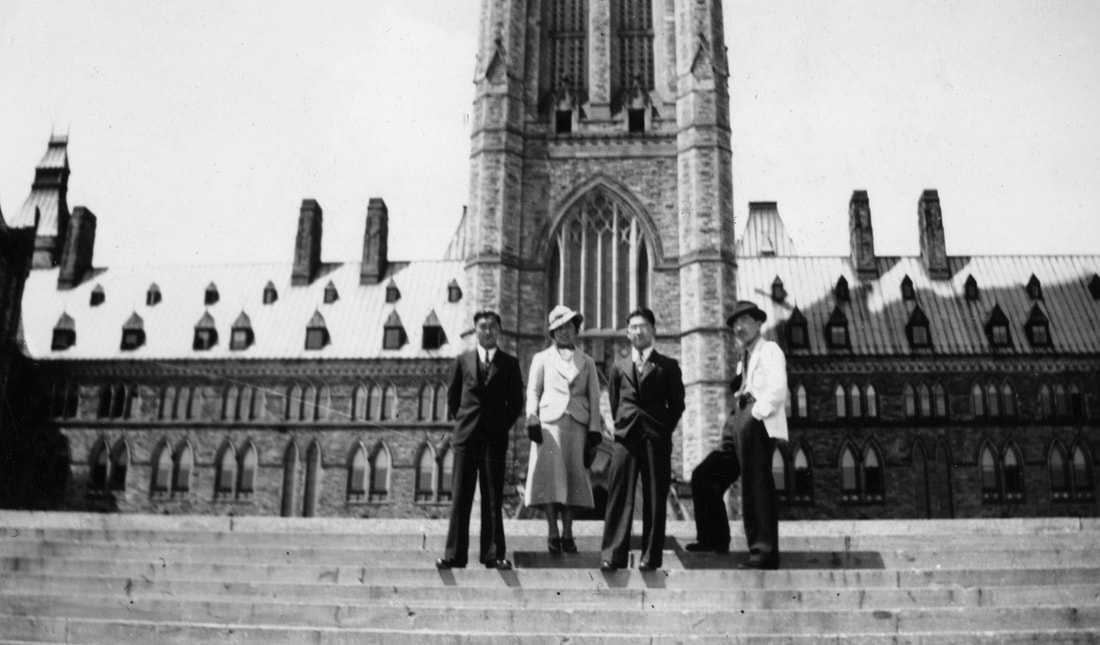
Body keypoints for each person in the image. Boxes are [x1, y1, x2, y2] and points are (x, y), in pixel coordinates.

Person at [686, 300, 787, 569]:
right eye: (734, 325)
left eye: (744, 321)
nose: (739, 328)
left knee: (755, 485)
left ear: (758, 323)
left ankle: (763, 553)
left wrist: (755, 414)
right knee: (705, 476)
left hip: (755, 420)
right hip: (736, 421)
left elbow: (777, 389)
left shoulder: (770, 351)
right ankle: (713, 538)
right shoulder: (744, 358)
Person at [436, 309, 525, 570]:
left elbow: (516, 403)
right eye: (483, 327)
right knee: (461, 496)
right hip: (466, 438)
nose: (487, 331)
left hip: (494, 438)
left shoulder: (509, 363)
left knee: (492, 497)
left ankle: (493, 554)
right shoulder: (462, 361)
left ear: (499, 331)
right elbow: (453, 399)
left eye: (492, 327)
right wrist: (465, 423)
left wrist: (499, 426)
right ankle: (454, 555)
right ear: (475, 331)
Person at [600, 308, 685, 572]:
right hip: (626, 438)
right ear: (627, 333)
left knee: (654, 497)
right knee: (619, 495)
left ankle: (651, 556)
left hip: (655, 438)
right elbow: (615, 403)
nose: (639, 331)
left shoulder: (668, 366)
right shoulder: (619, 367)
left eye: (644, 326)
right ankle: (613, 555)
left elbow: (678, 405)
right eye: (634, 327)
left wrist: (661, 429)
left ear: (653, 331)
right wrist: (624, 423)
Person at [524, 305, 601, 554]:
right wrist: (532, 416)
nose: (565, 332)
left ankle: (568, 532)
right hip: (549, 424)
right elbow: (533, 390)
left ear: (576, 331)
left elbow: (595, 397)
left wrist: (594, 430)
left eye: (569, 327)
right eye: (560, 328)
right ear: (552, 332)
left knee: (572, 478)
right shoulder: (541, 358)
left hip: (577, 424)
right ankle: (552, 531)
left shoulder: (587, 361)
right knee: (549, 478)